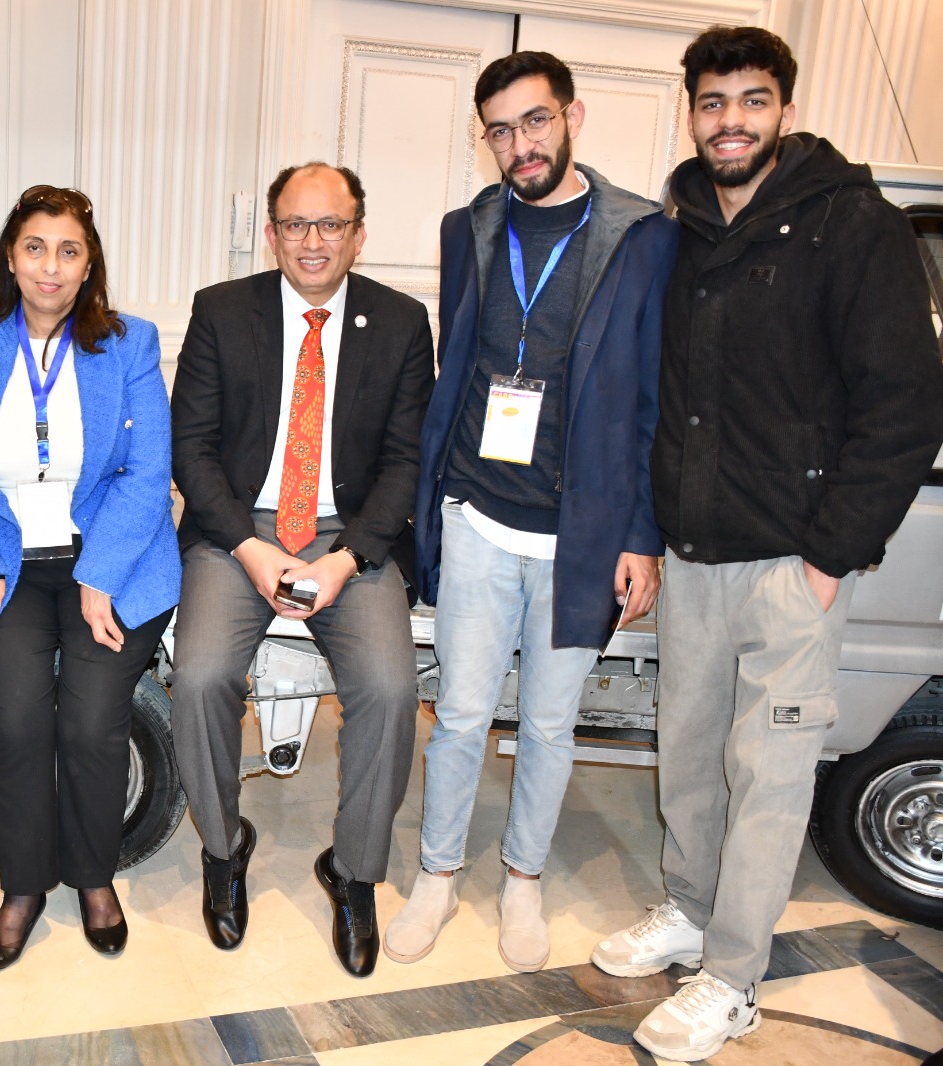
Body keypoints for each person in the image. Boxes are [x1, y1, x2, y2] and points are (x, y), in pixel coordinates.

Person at [590, 26, 943, 1061]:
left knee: (771, 773)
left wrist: (831, 555)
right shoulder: (683, 228)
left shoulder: (854, 225)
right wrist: (650, 531)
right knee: (691, 755)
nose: (730, 120)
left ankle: (734, 977)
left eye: (751, 100)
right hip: (694, 553)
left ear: (784, 108)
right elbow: (666, 401)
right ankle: (691, 909)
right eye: (712, 102)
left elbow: (905, 405)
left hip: (794, 561)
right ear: (691, 112)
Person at [385, 52, 675, 973]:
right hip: (477, 512)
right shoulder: (468, 228)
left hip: (580, 534)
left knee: (549, 726)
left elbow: (652, 400)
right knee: (461, 715)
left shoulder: (643, 237)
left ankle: (523, 878)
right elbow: (459, 365)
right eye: (501, 131)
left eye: (536, 121)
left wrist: (641, 537)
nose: (521, 145)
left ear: (572, 117)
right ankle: (438, 873)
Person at [169, 162, 434, 977]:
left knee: (390, 689)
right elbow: (192, 449)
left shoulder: (400, 322)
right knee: (200, 677)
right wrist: (249, 549)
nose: (312, 241)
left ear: (359, 233)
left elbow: (405, 463)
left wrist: (349, 559)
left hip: (348, 536)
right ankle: (223, 848)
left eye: (331, 224)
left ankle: (353, 871)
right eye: (295, 224)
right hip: (239, 529)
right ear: (271, 233)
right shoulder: (222, 311)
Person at [0, 185, 179, 971]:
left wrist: (99, 574)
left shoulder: (129, 344)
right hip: (5, 566)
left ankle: (95, 878)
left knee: (94, 720)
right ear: (11, 256)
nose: (51, 266)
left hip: (109, 558)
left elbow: (147, 474)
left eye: (69, 251)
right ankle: (23, 888)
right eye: (35, 247)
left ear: (88, 263)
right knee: (17, 720)